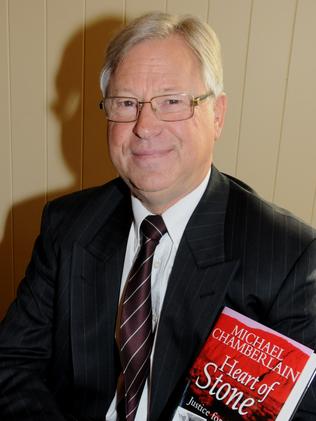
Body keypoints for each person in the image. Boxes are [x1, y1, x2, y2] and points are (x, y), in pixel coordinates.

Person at [0, 11, 315, 421]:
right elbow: (13, 362)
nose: (145, 126)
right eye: (127, 103)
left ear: (217, 115)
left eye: (172, 101)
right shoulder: (67, 225)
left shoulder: (289, 257)